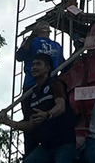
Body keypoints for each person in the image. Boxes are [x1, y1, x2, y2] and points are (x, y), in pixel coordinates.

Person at [15, 20, 65, 152]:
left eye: (46, 25)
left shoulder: (57, 45)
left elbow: (63, 64)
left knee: (49, 120)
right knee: (31, 121)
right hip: (31, 86)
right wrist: (32, 34)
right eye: (41, 25)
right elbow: (19, 56)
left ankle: (47, 154)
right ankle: (30, 153)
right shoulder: (31, 41)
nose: (45, 26)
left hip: (50, 86)